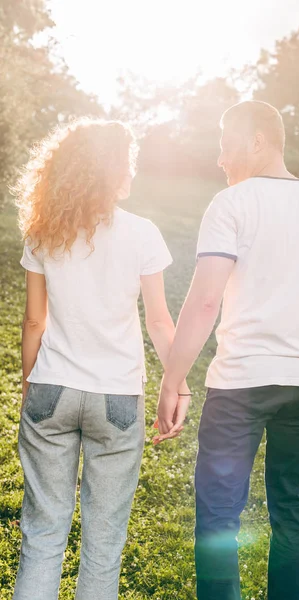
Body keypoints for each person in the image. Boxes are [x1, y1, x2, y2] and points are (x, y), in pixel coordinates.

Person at [155, 101, 299, 600]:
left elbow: (205, 301)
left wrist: (172, 380)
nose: (220, 159)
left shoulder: (231, 205)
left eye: (225, 145)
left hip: (239, 385)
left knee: (220, 513)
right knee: (292, 514)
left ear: (257, 142)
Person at [12, 118, 189, 600]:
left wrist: (31, 386)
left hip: (51, 390)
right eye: (126, 164)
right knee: (104, 544)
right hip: (118, 399)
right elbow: (158, 322)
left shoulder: (43, 231)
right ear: (112, 172)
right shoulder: (142, 233)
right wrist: (179, 385)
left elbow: (34, 322)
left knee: (43, 536)